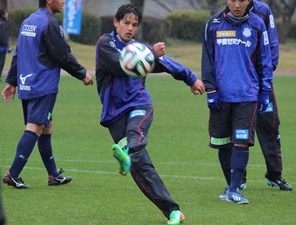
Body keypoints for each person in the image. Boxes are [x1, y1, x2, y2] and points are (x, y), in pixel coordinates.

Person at [95, 3, 205, 224]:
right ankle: (173, 210)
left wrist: (190, 78)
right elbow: (125, 65)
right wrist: (151, 54)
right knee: (141, 168)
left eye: (134, 24)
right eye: (126, 23)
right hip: (114, 113)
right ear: (116, 23)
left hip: (139, 105)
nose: (130, 28)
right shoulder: (105, 43)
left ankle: (128, 152)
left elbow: (165, 63)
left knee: (136, 134)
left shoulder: (139, 48)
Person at [1, 0, 94, 189]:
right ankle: (13, 174)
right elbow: (63, 54)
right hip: (43, 84)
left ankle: (53, 175)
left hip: (28, 83)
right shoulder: (50, 23)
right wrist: (82, 73)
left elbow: (19, 53)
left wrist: (12, 81)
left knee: (46, 126)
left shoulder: (28, 21)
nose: (63, 2)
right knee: (35, 127)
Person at [201, 0, 273, 204]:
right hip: (221, 96)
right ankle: (229, 186)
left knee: (241, 141)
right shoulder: (213, 24)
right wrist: (211, 89)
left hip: (247, 95)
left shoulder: (258, 25)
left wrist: (265, 92)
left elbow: (264, 60)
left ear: (249, 1)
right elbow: (207, 58)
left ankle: (235, 189)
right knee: (223, 143)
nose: (237, 4)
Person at [240, 0, 293, 191]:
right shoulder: (226, 14)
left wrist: (267, 74)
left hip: (262, 82)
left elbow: (272, 42)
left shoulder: (263, 11)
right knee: (240, 130)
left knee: (270, 126)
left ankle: (275, 175)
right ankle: (239, 178)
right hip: (239, 83)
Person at [0, 8, 11, 83]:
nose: (7, 15)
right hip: (1, 47)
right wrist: (7, 45)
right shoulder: (2, 23)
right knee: (1, 61)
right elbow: (3, 35)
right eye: (6, 13)